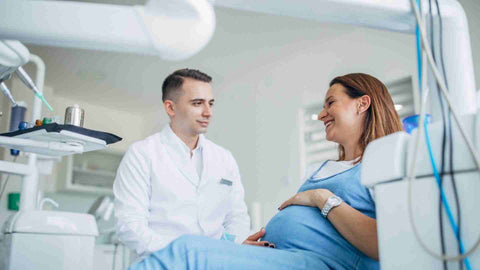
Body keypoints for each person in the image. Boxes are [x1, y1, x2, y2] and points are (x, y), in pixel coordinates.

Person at [127, 73, 403, 270]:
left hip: (323, 263)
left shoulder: (387, 163)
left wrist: (321, 198)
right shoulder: (323, 168)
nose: (321, 114)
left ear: (362, 103)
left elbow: (387, 243)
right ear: (170, 108)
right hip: (281, 256)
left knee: (186, 252)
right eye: (197, 103)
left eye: (330, 103)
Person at [113, 68, 255, 257]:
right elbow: (130, 225)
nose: (208, 112)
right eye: (197, 103)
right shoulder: (142, 153)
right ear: (170, 108)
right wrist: (188, 253)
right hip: (164, 262)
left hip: (216, 262)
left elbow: (236, 217)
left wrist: (228, 249)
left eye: (210, 103)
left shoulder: (224, 158)